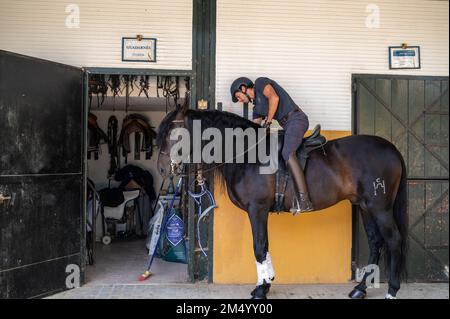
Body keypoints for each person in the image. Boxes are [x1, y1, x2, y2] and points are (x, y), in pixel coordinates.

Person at [230, 77, 313, 212]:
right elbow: (254, 128)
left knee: (287, 153)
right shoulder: (257, 109)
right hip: (287, 125)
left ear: (243, 88)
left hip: (296, 119)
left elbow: (274, 98)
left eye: (238, 96)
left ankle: (304, 201)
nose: (239, 101)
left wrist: (268, 122)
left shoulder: (260, 83)